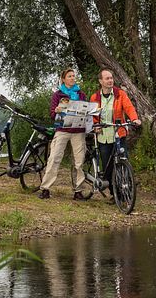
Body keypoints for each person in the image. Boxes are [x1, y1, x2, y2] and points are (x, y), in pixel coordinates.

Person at [89, 68, 141, 199]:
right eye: (107, 78)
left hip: (118, 133)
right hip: (103, 136)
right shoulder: (95, 97)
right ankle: (114, 193)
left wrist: (134, 119)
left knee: (123, 161)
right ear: (100, 81)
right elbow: (93, 115)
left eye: (111, 78)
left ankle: (127, 191)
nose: (110, 80)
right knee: (108, 166)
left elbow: (129, 107)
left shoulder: (120, 94)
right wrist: (96, 126)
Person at [38, 68, 88, 200]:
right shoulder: (58, 95)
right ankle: (45, 188)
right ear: (63, 79)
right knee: (54, 158)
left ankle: (78, 191)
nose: (72, 78)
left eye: (73, 76)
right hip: (62, 130)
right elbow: (52, 114)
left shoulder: (81, 94)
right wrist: (57, 111)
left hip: (78, 131)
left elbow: (85, 110)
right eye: (69, 76)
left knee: (78, 161)